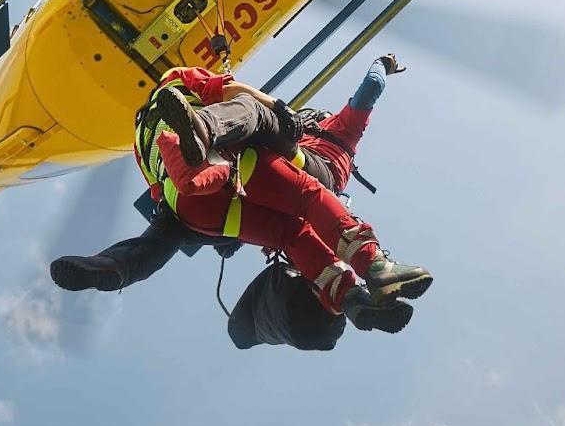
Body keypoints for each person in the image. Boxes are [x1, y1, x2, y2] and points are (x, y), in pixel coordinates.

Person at [70, 61, 431, 332]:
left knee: (170, 229)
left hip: (198, 199)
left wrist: (379, 66)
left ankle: (117, 267)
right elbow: (235, 93)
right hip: (249, 177)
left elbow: (368, 89)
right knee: (300, 205)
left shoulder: (139, 142)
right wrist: (382, 63)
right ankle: (366, 279)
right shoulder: (178, 80)